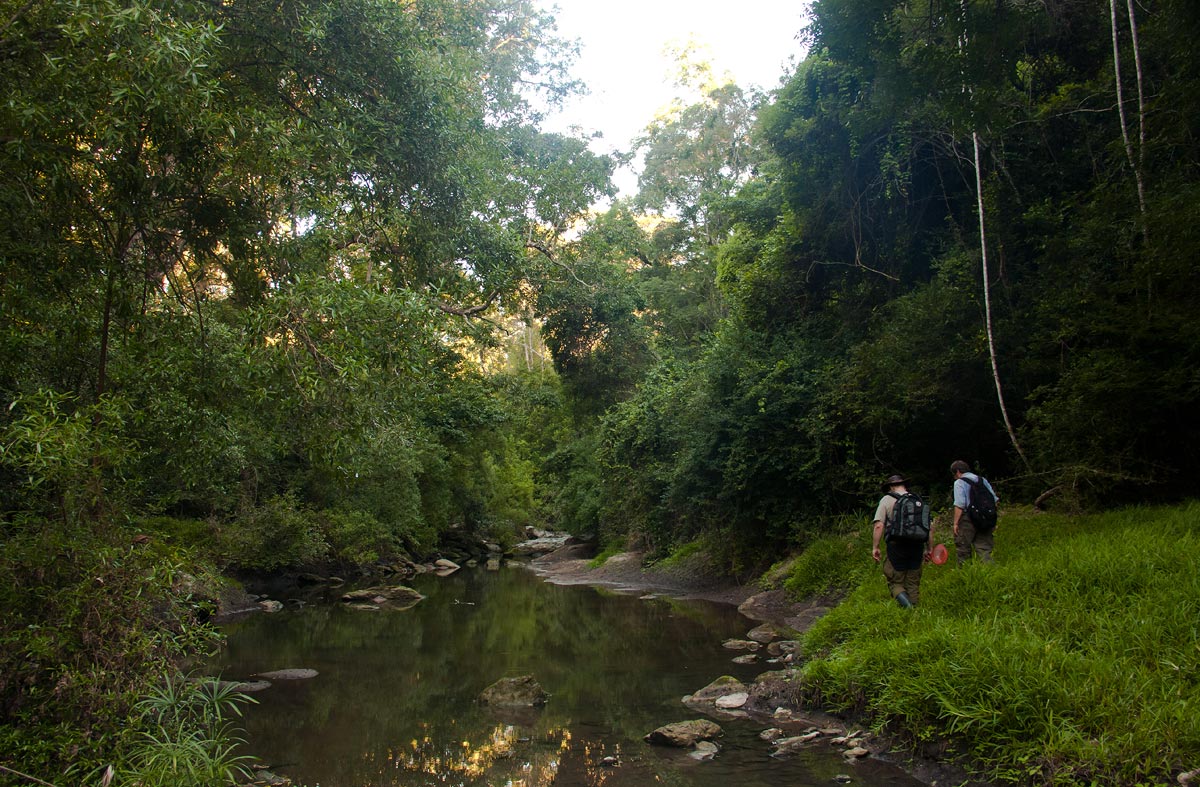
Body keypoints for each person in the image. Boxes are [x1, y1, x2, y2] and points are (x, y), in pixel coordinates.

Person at [871, 474, 933, 608]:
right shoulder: (916, 500)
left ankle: (908, 609)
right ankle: (915, 612)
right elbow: (929, 527)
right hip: (917, 544)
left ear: (891, 487)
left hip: (896, 546)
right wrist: (929, 548)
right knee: (912, 581)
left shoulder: (887, 500)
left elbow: (878, 525)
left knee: (896, 582)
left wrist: (875, 547)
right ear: (904, 485)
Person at [950, 459, 999, 564]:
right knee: (984, 548)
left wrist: (955, 523)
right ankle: (990, 573)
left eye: (954, 474)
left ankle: (966, 574)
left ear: (958, 472)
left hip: (968, 519)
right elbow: (994, 500)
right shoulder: (982, 480)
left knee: (963, 548)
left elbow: (959, 504)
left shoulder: (959, 482)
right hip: (985, 518)